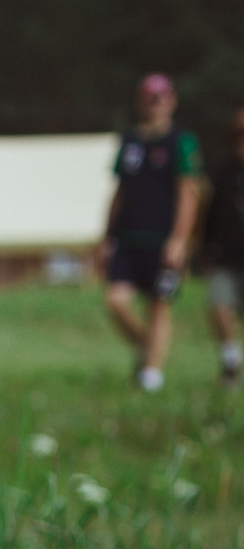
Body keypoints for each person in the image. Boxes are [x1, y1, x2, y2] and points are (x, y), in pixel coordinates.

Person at [101, 73, 205, 393]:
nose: (156, 105)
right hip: (128, 238)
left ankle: (151, 375)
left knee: (159, 305)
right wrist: (106, 235)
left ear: (172, 101)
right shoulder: (129, 142)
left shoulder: (181, 142)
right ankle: (147, 348)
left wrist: (179, 239)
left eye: (162, 98)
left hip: (163, 240)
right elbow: (119, 191)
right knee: (116, 301)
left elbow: (189, 194)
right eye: (150, 98)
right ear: (140, 102)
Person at [198, 109, 244, 389]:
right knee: (219, 306)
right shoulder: (224, 171)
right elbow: (211, 212)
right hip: (226, 256)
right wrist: (205, 248)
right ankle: (230, 361)